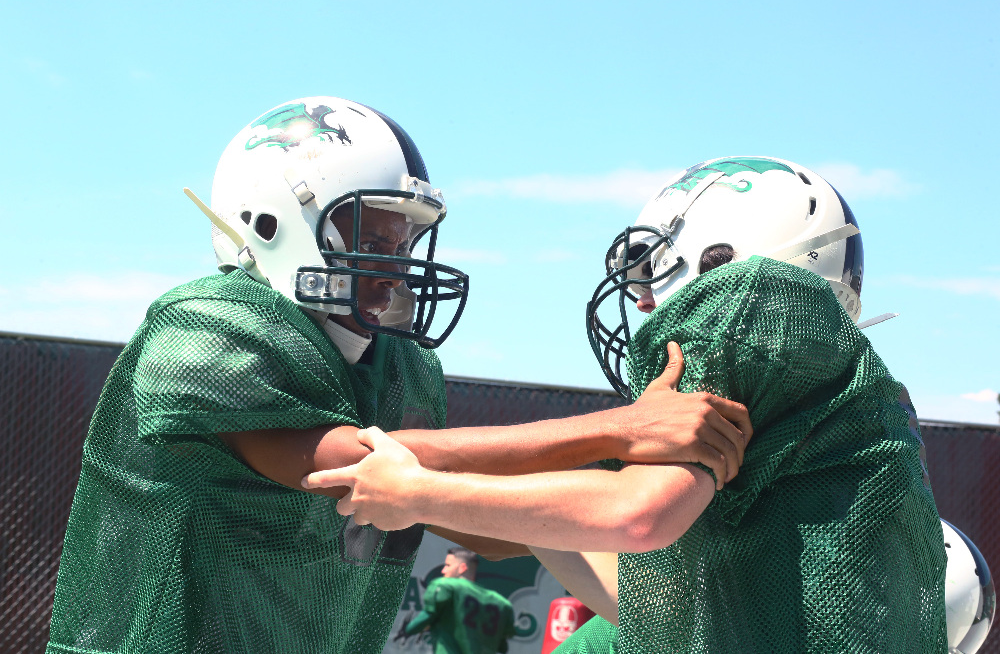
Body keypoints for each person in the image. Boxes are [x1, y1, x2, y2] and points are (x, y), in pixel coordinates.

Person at [45, 99, 752, 654]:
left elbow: (468, 512)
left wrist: (608, 497)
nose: (397, 261)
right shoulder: (208, 325)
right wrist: (622, 430)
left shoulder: (398, 370)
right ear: (270, 223)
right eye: (373, 237)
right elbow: (352, 468)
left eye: (404, 240)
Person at [305, 156, 950, 653]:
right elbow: (656, 600)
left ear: (731, 260)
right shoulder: (825, 382)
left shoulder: (757, 315)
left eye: (654, 270)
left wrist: (414, 489)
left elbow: (640, 519)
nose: (642, 303)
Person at [403, 547, 515, 654]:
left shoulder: (445, 585)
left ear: (462, 568)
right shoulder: (501, 603)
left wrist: (408, 630)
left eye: (448, 565)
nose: (443, 570)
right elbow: (503, 647)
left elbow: (426, 617)